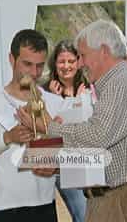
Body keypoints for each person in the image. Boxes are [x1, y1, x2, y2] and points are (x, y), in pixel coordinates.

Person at [17, 20, 127, 222]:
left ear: (103, 51)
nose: (80, 63)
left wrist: (49, 126)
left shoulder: (119, 84)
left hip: (118, 198)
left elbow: (97, 136)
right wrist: (59, 165)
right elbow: (107, 154)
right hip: (115, 196)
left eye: (82, 55)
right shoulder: (120, 83)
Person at [0, 29, 63, 222]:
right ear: (12, 59)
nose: (34, 73)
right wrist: (7, 138)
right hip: (5, 210)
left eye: (39, 66)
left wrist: (57, 164)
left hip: (45, 208)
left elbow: (73, 154)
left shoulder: (55, 102)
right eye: (27, 64)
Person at [43, 40, 87, 222]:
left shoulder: (88, 89)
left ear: (78, 62)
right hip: (54, 160)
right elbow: (46, 128)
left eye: (71, 61)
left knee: (84, 215)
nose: (66, 66)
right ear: (54, 63)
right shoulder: (45, 91)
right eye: (62, 61)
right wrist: (55, 100)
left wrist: (78, 102)